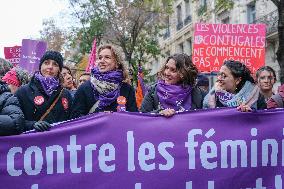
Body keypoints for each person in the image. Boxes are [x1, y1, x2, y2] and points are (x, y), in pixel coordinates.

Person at [71, 45, 138, 118]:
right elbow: (75, 117)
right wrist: (100, 117)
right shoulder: (84, 88)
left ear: (117, 63)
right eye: (100, 58)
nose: (102, 61)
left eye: (107, 57)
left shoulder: (127, 89)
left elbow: (133, 117)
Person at [15, 50, 73, 132]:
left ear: (59, 70)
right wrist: (32, 125)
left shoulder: (66, 94)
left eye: (55, 64)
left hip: (59, 142)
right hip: (32, 143)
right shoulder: (23, 91)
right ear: (40, 66)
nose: (50, 67)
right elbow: (15, 120)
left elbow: (72, 121)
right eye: (46, 63)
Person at [140, 53, 204, 117]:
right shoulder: (152, 91)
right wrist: (159, 113)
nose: (167, 73)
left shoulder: (197, 93)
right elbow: (143, 116)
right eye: (166, 68)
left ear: (183, 73)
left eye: (173, 70)